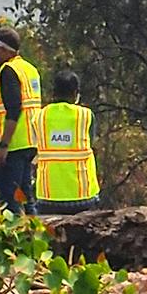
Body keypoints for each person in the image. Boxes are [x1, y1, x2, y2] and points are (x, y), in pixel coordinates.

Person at [0, 27, 41, 214]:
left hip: (12, 147)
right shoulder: (29, 69)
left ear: (3, 49)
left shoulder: (8, 71)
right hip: (29, 143)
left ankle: (17, 233)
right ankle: (32, 230)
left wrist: (2, 146)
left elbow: (14, 110)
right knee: (26, 198)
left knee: (10, 202)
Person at [31, 71, 101, 215]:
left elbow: (34, 148)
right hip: (83, 197)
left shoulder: (39, 116)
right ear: (75, 93)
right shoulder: (86, 116)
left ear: (53, 93)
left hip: (48, 198)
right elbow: (91, 143)